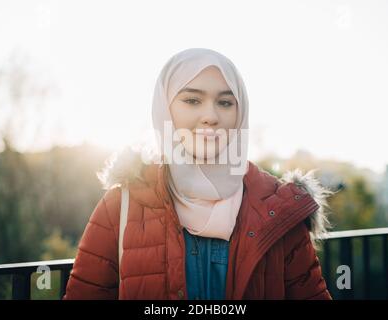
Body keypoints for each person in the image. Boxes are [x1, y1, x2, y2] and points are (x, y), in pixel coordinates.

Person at [63, 48, 333, 300]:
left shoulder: (280, 209)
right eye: (192, 100)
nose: (210, 116)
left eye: (225, 102)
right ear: (165, 110)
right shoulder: (119, 207)